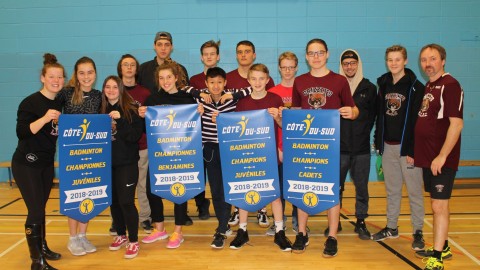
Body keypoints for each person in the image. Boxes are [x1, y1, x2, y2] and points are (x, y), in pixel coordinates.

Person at [290, 38, 359, 257]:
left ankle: (332, 236)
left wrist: (351, 112)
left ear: (327, 54)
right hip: (305, 145)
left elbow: (354, 109)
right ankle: (301, 233)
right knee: (302, 187)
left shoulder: (339, 81)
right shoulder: (299, 81)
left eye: (320, 52)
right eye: (311, 53)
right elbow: (294, 113)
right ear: (306, 56)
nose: (316, 57)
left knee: (332, 191)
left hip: (331, 146)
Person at [184, 66, 252, 248]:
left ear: (225, 83)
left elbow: (253, 88)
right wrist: (200, 94)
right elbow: (183, 87)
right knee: (216, 190)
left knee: (232, 188)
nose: (215, 86)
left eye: (219, 82)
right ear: (206, 83)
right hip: (210, 149)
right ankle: (222, 228)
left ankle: (230, 221)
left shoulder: (231, 95)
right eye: (212, 82)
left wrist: (234, 96)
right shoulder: (201, 97)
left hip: (230, 149)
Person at [228, 63, 292, 252]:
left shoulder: (275, 98)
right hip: (249, 155)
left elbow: (283, 127)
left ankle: (280, 231)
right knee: (245, 192)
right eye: (254, 79)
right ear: (248, 81)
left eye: (261, 78)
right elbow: (235, 130)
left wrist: (278, 118)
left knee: (275, 195)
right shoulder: (243, 103)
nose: (257, 82)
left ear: (267, 79)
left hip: (270, 155)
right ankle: (242, 230)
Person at [139, 62, 203, 249]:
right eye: (161, 78)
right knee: (152, 189)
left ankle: (178, 231)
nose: (165, 81)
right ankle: (159, 229)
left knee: (179, 192)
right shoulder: (152, 100)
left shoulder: (188, 100)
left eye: (169, 77)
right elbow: (146, 129)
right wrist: (142, 115)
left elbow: (194, 127)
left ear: (176, 78)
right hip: (160, 154)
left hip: (182, 154)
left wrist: (199, 113)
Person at [12, 53, 64, 270]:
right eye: (52, 76)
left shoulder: (60, 102)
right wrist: (44, 118)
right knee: (34, 210)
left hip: (45, 163)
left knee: (40, 208)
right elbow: (22, 132)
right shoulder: (30, 102)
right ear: (43, 77)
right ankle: (37, 262)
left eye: (60, 77)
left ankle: (42, 247)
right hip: (26, 163)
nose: (56, 81)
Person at [414, 44, 463, 270]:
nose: (428, 63)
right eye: (424, 60)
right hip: (428, 157)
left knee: (438, 205)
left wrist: (442, 156)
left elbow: (456, 123)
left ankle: (437, 258)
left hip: (441, 158)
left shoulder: (450, 85)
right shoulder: (430, 85)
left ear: (442, 60)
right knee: (439, 204)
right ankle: (442, 245)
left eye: (432, 59)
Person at [372, 45, 426, 251]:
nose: (393, 63)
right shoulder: (383, 85)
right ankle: (391, 227)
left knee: (414, 193)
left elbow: (418, 122)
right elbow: (380, 117)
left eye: (397, 59)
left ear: (405, 61)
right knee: (392, 190)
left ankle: (418, 231)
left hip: (408, 150)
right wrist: (378, 143)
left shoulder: (415, 87)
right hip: (388, 147)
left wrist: (413, 150)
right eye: (390, 60)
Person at [56, 56, 101, 256]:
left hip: (92, 154)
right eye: (81, 72)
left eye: (90, 72)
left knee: (88, 193)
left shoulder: (99, 96)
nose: (86, 76)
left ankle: (83, 235)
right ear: (76, 74)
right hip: (72, 155)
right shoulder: (65, 94)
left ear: (95, 73)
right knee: (74, 196)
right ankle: (72, 238)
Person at [227, 40, 275, 228]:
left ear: (254, 54)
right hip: (240, 137)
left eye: (247, 51)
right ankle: (238, 210)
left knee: (261, 174)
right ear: (236, 55)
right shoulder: (229, 78)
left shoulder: (265, 81)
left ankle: (262, 210)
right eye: (240, 52)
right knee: (240, 175)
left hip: (262, 139)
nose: (244, 55)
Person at [101, 76, 143, 259]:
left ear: (120, 89)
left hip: (127, 163)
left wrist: (121, 122)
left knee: (126, 202)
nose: (111, 90)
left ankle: (133, 241)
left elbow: (134, 136)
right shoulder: (100, 110)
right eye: (107, 87)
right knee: (114, 202)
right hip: (106, 164)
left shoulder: (131, 109)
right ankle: (121, 235)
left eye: (114, 87)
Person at [337, 49, 377, 240]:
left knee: (362, 187)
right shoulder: (335, 86)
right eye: (346, 63)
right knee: (336, 187)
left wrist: (362, 134)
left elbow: (372, 117)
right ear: (341, 65)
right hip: (339, 149)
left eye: (353, 63)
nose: (349, 66)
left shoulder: (369, 88)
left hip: (361, 149)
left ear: (358, 64)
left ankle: (361, 221)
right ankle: (334, 221)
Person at [187, 40, 224, 221]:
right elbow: (183, 91)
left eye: (212, 54)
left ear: (217, 57)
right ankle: (201, 204)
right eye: (206, 54)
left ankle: (224, 211)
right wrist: (198, 93)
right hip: (197, 137)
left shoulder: (223, 80)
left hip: (217, 140)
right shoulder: (194, 80)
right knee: (198, 174)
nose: (209, 57)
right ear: (202, 57)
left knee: (218, 179)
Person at [117, 54, 153, 234]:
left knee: (141, 184)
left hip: (142, 146)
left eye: (132, 65)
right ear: (120, 69)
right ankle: (119, 220)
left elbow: (151, 119)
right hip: (120, 148)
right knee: (120, 185)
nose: (129, 68)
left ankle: (145, 217)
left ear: (136, 69)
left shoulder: (145, 93)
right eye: (125, 65)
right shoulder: (114, 91)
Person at [266, 51, 300, 235]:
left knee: (296, 186)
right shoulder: (272, 93)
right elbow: (268, 125)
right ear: (279, 68)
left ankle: (298, 220)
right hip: (278, 149)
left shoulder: (302, 90)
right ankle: (279, 221)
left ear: (296, 68)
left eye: (291, 67)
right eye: (284, 67)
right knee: (278, 188)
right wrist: (278, 147)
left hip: (298, 147)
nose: (287, 70)